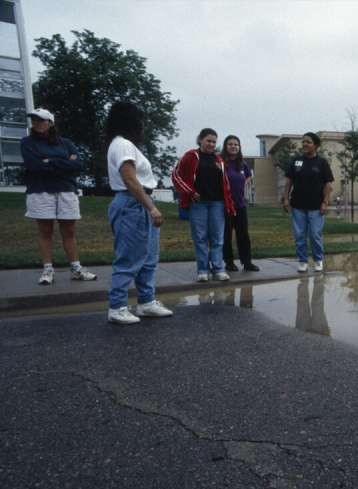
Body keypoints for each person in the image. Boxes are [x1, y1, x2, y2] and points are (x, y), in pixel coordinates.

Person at [105, 101, 173, 324]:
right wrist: (151, 207)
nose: (142, 125)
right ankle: (117, 307)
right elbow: (130, 179)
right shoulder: (122, 145)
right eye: (140, 120)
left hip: (138, 202)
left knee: (149, 258)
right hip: (132, 203)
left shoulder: (126, 145)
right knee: (129, 258)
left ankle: (146, 302)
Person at [21, 108, 96, 285]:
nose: (37, 123)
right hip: (40, 190)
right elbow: (34, 166)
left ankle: (76, 269)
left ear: (50, 122)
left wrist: (49, 161)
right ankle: (48, 270)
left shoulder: (66, 143)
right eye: (34, 120)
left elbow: (78, 165)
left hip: (66, 190)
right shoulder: (27, 142)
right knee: (45, 231)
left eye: (41, 120)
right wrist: (64, 163)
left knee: (69, 231)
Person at [172, 128, 236, 282]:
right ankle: (202, 270)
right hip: (198, 204)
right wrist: (190, 192)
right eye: (208, 140)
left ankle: (218, 268)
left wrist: (229, 204)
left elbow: (225, 184)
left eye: (214, 142)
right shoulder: (190, 156)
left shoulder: (218, 160)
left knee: (217, 238)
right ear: (200, 140)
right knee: (200, 237)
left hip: (217, 203)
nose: (211, 144)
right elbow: (176, 176)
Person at [281, 132, 334, 273]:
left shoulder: (322, 163)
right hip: (298, 205)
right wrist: (286, 198)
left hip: (316, 206)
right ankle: (303, 261)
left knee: (315, 234)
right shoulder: (296, 161)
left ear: (316, 145)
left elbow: (328, 185)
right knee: (299, 235)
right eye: (303, 141)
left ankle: (318, 260)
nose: (305, 144)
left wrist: (325, 202)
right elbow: (289, 182)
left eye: (308, 142)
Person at [221, 135, 259, 272]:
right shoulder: (221, 163)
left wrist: (245, 183)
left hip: (240, 205)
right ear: (225, 146)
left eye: (236, 144)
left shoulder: (242, 164)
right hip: (225, 206)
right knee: (226, 235)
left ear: (239, 147)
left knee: (243, 235)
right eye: (230, 144)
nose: (233, 146)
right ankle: (229, 262)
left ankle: (247, 262)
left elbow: (248, 176)